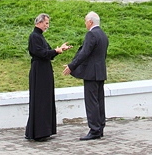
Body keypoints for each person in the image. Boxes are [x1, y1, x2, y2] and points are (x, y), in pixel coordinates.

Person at [25, 13, 71, 141]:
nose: (47, 26)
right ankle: (39, 132)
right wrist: (55, 51)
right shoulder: (34, 36)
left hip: (44, 70)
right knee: (40, 100)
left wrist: (59, 50)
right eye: (46, 23)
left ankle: (44, 131)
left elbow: (48, 53)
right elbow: (41, 53)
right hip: (39, 70)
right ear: (39, 22)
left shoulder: (39, 36)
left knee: (45, 99)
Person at [63, 11, 109, 140]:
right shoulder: (103, 34)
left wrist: (71, 66)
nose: (85, 23)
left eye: (85, 21)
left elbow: (84, 53)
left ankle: (94, 130)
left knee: (91, 102)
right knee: (99, 101)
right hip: (100, 72)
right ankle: (100, 128)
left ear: (90, 22)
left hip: (91, 73)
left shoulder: (91, 34)